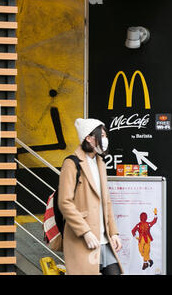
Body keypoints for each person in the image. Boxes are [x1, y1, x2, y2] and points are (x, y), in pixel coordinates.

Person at [58, 118, 123, 275]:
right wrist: (85, 232)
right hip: (83, 238)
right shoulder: (72, 163)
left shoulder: (100, 162)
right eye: (101, 135)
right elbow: (64, 202)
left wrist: (113, 232)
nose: (105, 139)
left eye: (105, 135)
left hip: (104, 238)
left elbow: (106, 201)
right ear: (88, 137)